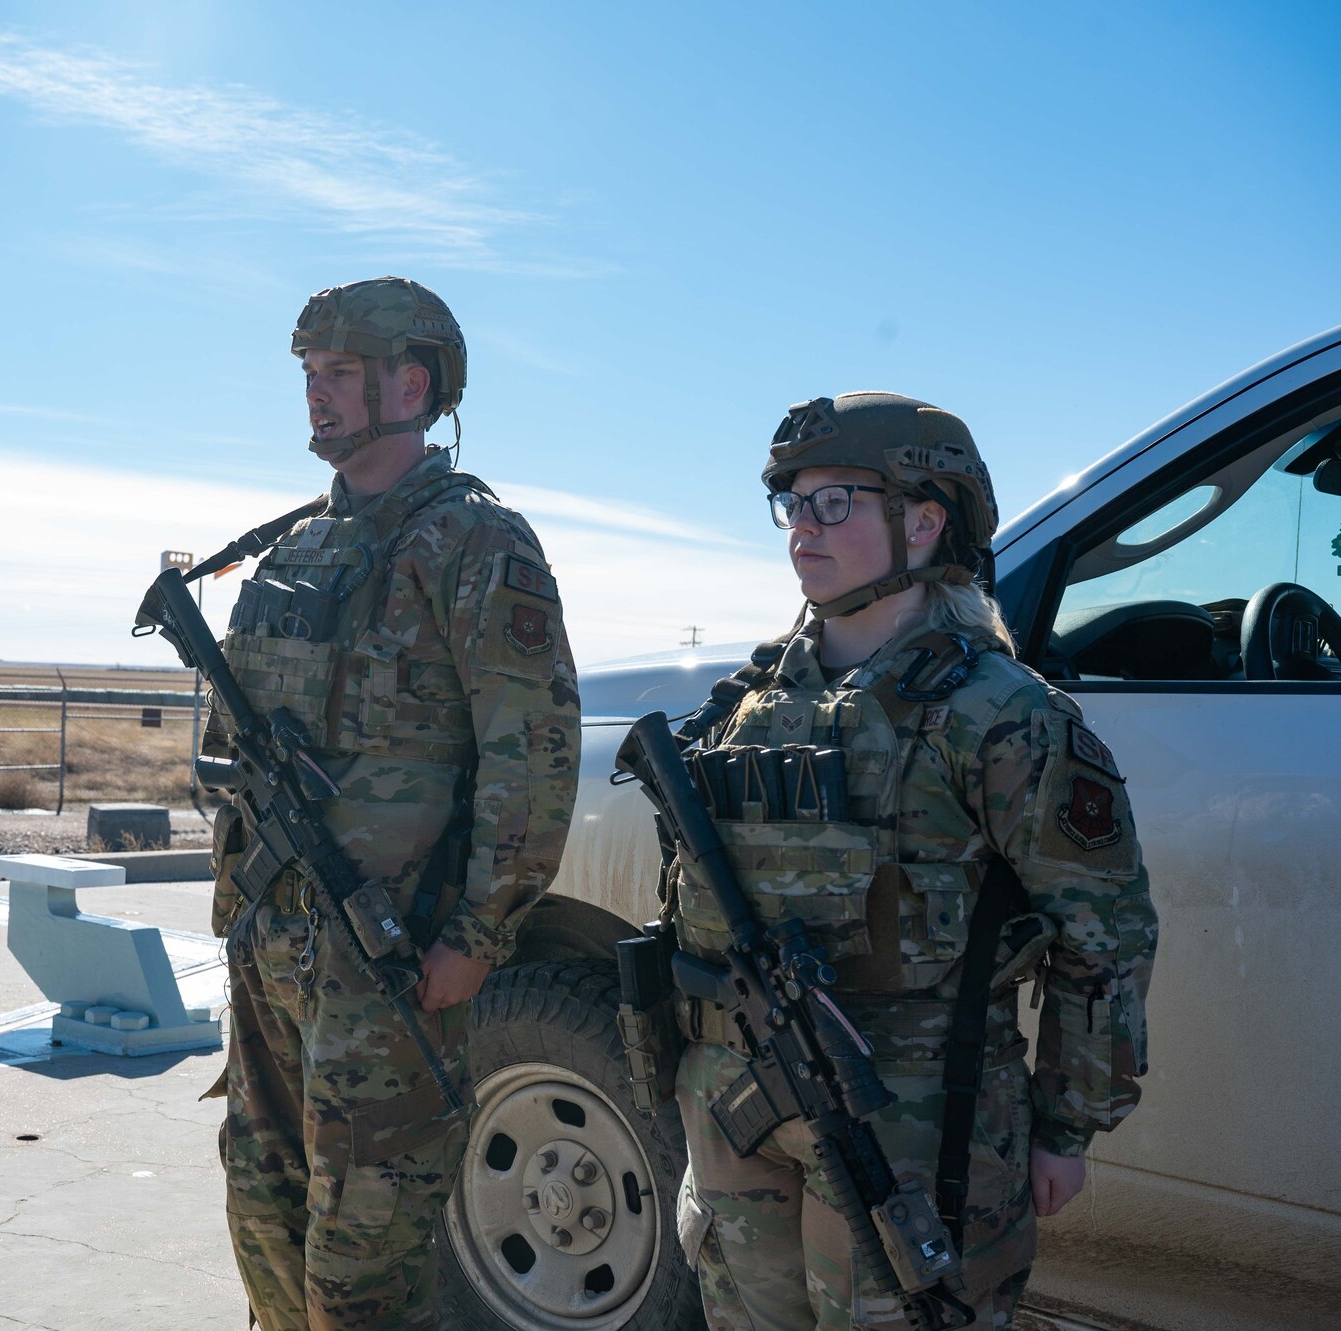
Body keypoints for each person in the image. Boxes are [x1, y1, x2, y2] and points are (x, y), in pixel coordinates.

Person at [667, 392, 1158, 1330]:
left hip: (916, 1127)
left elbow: (1105, 936)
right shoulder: (746, 704)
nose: (802, 528)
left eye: (836, 502)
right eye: (793, 504)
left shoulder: (1001, 713)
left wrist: (1065, 1128)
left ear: (925, 522)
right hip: (737, 1108)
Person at [206, 277, 582, 1328]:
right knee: (264, 1220)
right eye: (309, 375)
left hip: (389, 962)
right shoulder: (293, 543)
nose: (316, 396)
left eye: (339, 374)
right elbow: (228, 747)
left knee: (362, 1258)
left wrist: (476, 930)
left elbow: (532, 751)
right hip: (271, 945)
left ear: (409, 383)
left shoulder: (473, 541)